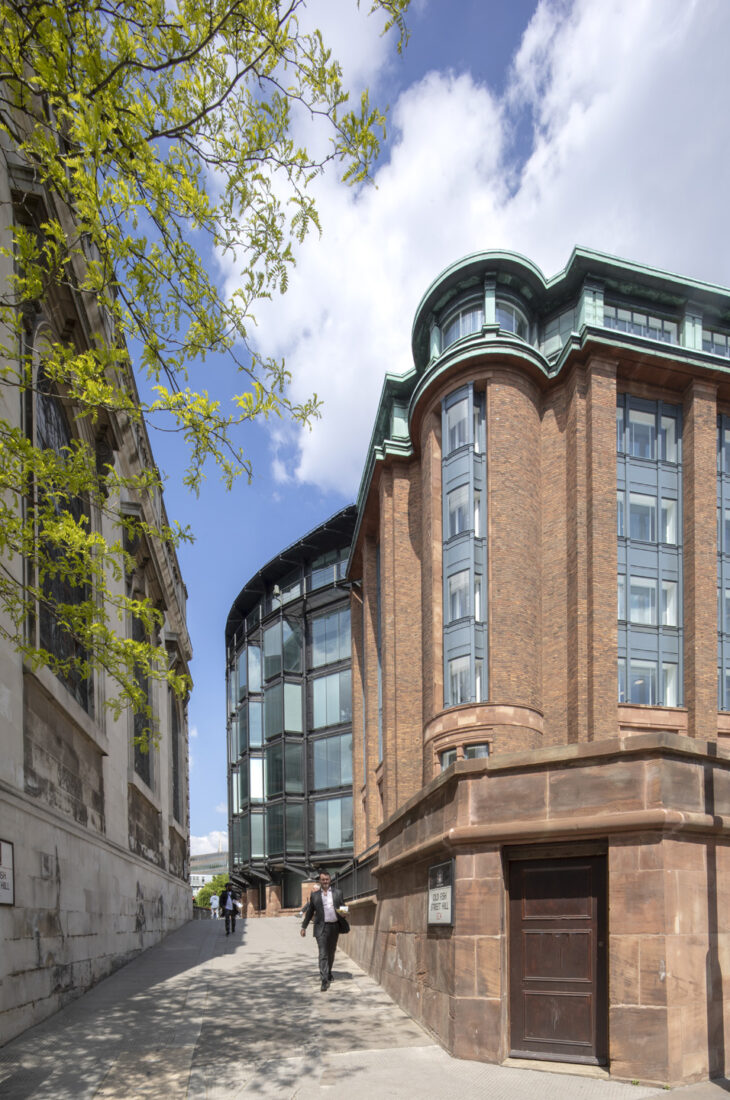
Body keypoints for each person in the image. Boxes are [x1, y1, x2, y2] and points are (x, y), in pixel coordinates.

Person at [300, 870, 346, 991]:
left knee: (331, 952)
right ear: (320, 881)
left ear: (330, 880)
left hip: (334, 926)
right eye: (323, 880)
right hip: (321, 927)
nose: (325, 881)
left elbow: (343, 906)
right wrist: (303, 927)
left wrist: (344, 913)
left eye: (327, 879)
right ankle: (324, 979)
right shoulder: (314, 896)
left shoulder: (338, 893)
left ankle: (328, 971)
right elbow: (310, 912)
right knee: (323, 953)